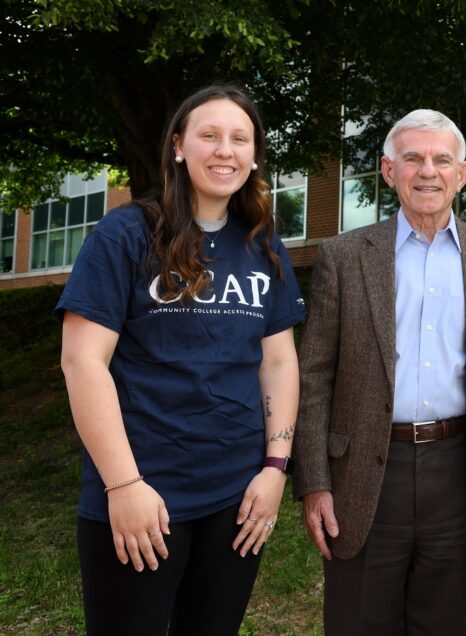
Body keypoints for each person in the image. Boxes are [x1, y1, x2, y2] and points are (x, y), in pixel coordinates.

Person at [57, 85, 305, 634]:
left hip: (237, 498)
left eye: (240, 138)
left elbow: (279, 363)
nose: (225, 150)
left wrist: (275, 468)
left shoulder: (263, 245)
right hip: (142, 494)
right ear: (178, 147)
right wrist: (123, 487)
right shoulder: (126, 233)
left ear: (255, 155)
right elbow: (82, 362)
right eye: (209, 135)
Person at [292, 108, 466, 636]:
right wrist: (314, 483)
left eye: (442, 159)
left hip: (464, 472)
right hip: (365, 474)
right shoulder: (343, 257)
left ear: (463, 174)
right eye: (412, 158)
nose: (427, 171)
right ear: (389, 172)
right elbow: (314, 375)